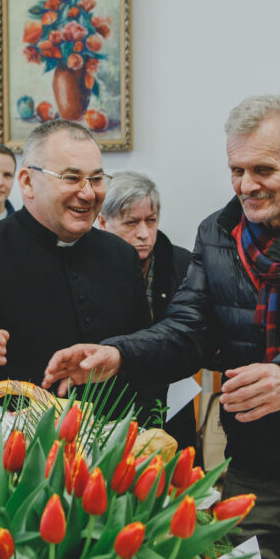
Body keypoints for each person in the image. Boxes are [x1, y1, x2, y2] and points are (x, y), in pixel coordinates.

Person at [43, 95, 280, 559]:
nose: (246, 185)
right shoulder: (219, 233)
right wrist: (120, 353)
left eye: (262, 169)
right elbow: (187, 331)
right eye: (236, 170)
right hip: (252, 476)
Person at [0, 119, 151, 413]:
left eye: (97, 178)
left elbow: (143, 353)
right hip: (14, 451)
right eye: (70, 177)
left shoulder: (121, 256)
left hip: (115, 446)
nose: (88, 193)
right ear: (27, 182)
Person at [97, 171, 195, 445]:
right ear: (103, 221)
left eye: (150, 221)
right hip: (108, 411)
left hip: (172, 409)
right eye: (131, 223)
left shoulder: (183, 264)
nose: (144, 234)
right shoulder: (88, 267)